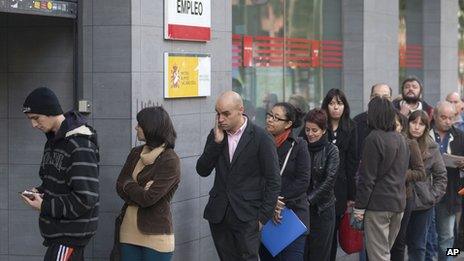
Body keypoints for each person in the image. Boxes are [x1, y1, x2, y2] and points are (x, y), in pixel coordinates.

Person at [196, 91, 281, 261]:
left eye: (226, 114)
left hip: (248, 216)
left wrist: (262, 218)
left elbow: (273, 180)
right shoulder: (216, 135)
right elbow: (202, 170)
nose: (220, 119)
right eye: (218, 113)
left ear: (240, 110)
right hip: (219, 215)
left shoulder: (261, 137)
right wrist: (217, 143)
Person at [20, 87, 100, 260]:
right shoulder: (52, 142)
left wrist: (44, 205)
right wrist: (40, 191)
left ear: (50, 112)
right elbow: (54, 184)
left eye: (36, 118)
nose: (33, 125)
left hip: (70, 236)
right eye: (30, 119)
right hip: (59, 234)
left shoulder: (80, 145)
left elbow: (85, 198)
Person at [115, 106, 180, 261]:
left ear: (151, 128)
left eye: (140, 124)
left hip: (156, 236)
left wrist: (129, 185)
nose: (136, 127)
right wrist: (140, 190)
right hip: (127, 232)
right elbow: (119, 185)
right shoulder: (135, 152)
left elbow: (148, 198)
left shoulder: (170, 159)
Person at [353, 96, 409, 261]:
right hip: (399, 204)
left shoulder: (373, 138)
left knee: (379, 256)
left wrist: (359, 208)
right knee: (385, 253)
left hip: (378, 205)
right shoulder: (401, 139)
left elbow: (367, 178)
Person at [259, 102, 310, 261]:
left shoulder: (299, 145)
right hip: (266, 213)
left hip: (292, 214)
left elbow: (302, 180)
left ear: (288, 124)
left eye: (276, 118)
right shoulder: (259, 142)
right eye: (269, 115)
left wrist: (278, 199)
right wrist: (270, 203)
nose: (270, 120)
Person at [320, 89, 358, 261]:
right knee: (320, 233)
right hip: (319, 185)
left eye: (340, 103)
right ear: (326, 105)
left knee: (334, 230)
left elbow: (352, 164)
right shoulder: (318, 125)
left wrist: (352, 195)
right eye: (332, 103)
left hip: (340, 188)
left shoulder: (350, 127)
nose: (336, 107)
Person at [405, 110, 447, 261]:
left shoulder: (432, 147)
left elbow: (441, 176)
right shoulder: (399, 141)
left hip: (423, 203)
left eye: (421, 124)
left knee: (419, 245)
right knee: (396, 244)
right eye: (413, 122)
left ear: (426, 127)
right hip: (400, 200)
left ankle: (450, 255)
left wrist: (432, 196)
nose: (416, 127)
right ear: (407, 123)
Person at [429, 101, 464, 261]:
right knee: (426, 237)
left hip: (449, 192)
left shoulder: (459, 136)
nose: (448, 121)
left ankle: (449, 258)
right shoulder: (424, 131)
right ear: (434, 116)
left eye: (451, 118)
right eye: (443, 117)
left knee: (448, 236)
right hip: (425, 192)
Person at [303, 108, 339, 261]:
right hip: (302, 211)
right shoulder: (301, 146)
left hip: (322, 210)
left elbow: (329, 180)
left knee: (320, 255)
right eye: (307, 130)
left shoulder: (331, 150)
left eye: (315, 130)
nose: (310, 134)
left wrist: (309, 200)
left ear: (324, 130)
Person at [390, 111, 426, 261]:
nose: (392, 128)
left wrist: (400, 174)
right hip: (383, 198)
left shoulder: (410, 143)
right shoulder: (379, 141)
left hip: (405, 197)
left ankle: (453, 254)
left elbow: (420, 172)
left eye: (396, 125)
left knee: (401, 241)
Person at [353, 83, 392, 160]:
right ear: (370, 98)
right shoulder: (357, 121)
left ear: (390, 99)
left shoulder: (397, 121)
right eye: (376, 96)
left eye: (385, 97)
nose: (380, 100)